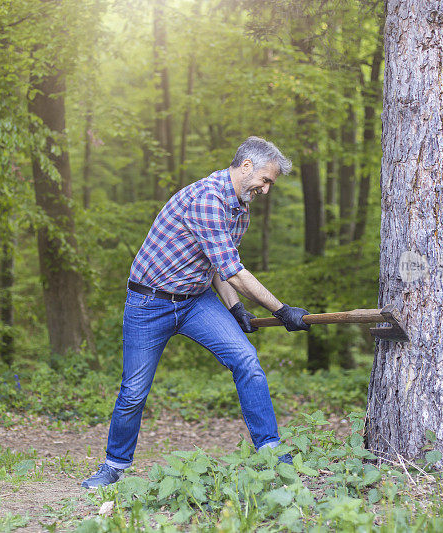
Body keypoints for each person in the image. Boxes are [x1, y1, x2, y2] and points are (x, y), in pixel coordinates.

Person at [81, 136, 311, 488]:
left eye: (271, 184)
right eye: (265, 180)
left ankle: (271, 454)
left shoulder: (240, 210)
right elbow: (234, 270)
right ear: (246, 166)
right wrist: (282, 311)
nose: (266, 189)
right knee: (134, 391)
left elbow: (218, 267)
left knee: (246, 361)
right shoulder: (207, 199)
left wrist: (236, 308)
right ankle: (114, 466)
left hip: (195, 301)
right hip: (149, 303)